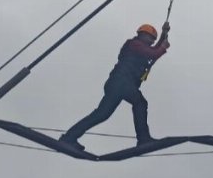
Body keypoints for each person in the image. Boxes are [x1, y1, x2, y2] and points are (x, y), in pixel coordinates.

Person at [59, 22, 171, 150]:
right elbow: (153, 53)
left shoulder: (139, 47)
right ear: (142, 35)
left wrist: (164, 34)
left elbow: (153, 50)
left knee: (102, 114)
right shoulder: (134, 44)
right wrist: (163, 48)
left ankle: (69, 137)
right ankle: (143, 138)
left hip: (118, 84)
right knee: (140, 103)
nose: (152, 41)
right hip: (122, 82)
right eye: (151, 38)